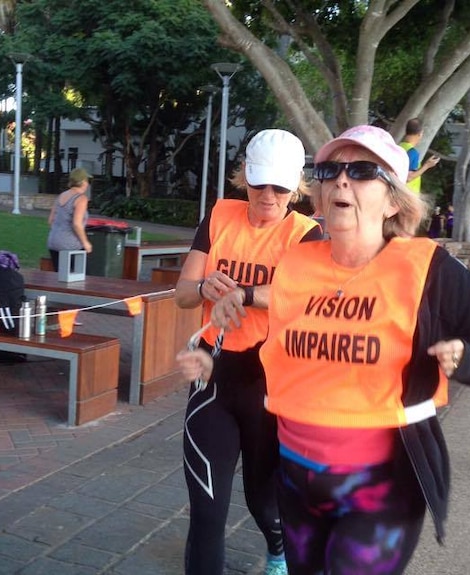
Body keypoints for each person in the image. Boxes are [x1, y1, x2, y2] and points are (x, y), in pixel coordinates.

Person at [178, 124, 470, 575]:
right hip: (300, 478)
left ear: (394, 199)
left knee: (313, 545)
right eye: (331, 169)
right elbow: (281, 340)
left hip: (379, 484)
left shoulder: (427, 267)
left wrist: (465, 359)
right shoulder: (299, 263)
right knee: (245, 531)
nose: (341, 180)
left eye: (362, 171)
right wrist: (206, 349)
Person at [173, 129, 323, 575]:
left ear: (296, 186)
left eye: (280, 186)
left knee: (264, 502)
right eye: (260, 183)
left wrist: (246, 293)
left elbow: (303, 299)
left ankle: (277, 548)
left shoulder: (306, 234)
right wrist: (203, 286)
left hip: (269, 384)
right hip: (213, 376)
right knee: (207, 512)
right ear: (245, 176)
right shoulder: (220, 215)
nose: (269, 195)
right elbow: (182, 294)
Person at [47, 167, 93, 272]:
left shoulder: (61, 196)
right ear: (83, 182)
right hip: (70, 245)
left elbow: (51, 220)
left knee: (59, 276)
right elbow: (76, 224)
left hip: (53, 242)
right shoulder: (81, 199)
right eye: (87, 181)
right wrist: (85, 243)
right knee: (77, 278)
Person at [399, 118, 440, 194]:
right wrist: (427, 165)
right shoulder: (412, 152)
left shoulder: (398, 147)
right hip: (407, 195)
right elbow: (408, 177)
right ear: (420, 134)